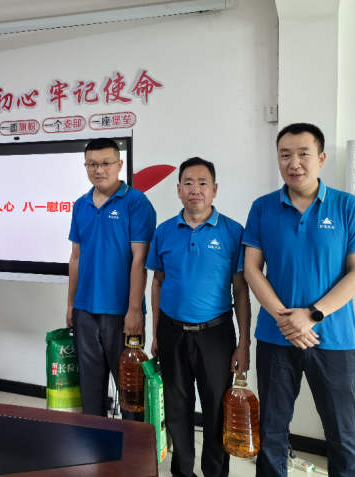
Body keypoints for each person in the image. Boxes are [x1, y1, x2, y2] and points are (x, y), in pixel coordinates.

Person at [243, 123, 355, 477]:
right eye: (285, 155)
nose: (294, 163)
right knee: (271, 431)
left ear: (321, 158)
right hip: (275, 337)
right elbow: (252, 269)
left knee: (342, 434)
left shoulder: (347, 206)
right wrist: (285, 319)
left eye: (303, 154)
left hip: (333, 339)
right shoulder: (262, 208)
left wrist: (312, 315)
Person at [147, 157, 250, 477]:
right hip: (172, 331)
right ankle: (182, 471)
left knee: (217, 411)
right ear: (178, 189)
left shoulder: (233, 231)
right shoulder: (164, 231)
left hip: (216, 335)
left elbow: (241, 290)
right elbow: (157, 282)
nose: (195, 189)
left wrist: (243, 343)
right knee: (176, 409)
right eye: (188, 183)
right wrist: (156, 333)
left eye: (202, 183)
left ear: (214, 189)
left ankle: (215, 473)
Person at [66, 138, 156, 419]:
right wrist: (70, 305)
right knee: (90, 390)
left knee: (130, 393)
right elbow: (75, 257)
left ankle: (132, 445)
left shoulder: (136, 202)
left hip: (122, 312)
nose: (99, 170)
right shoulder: (80, 205)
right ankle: (95, 442)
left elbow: (140, 260)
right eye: (91, 164)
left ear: (119, 164)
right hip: (84, 310)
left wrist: (134, 310)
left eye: (105, 163)